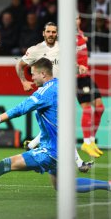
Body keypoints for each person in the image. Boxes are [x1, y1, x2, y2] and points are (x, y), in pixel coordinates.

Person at [0, 58, 111, 198]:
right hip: (58, 150)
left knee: (4, 165)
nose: (32, 77)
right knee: (63, 186)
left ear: (43, 74)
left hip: (49, 152)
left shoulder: (46, 91)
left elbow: (21, 108)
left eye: (33, 74)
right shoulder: (60, 86)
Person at [15, 22, 91, 171]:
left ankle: (31, 145)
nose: (51, 34)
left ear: (57, 34)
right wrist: (24, 81)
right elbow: (19, 64)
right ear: (43, 33)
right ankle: (79, 162)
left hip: (63, 92)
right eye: (48, 32)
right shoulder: (36, 50)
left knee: (60, 128)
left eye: (53, 32)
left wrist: (78, 67)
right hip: (48, 96)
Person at [76, 15, 105, 158]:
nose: (76, 21)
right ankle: (86, 142)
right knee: (87, 108)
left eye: (77, 18)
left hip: (86, 77)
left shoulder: (80, 33)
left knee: (100, 107)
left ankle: (92, 141)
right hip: (76, 79)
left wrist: (84, 39)